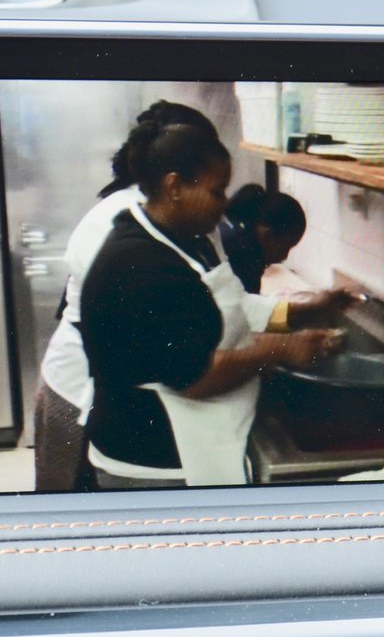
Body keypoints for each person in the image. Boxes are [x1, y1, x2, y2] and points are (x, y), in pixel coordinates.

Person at [78, 123, 347, 488]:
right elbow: (195, 377)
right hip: (153, 460)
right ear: (174, 187)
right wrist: (280, 350)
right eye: (216, 191)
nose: (223, 205)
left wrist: (297, 324)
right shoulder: (142, 263)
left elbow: (223, 316)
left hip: (190, 437)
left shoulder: (187, 240)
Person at [33, 102, 219, 493]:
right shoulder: (120, 218)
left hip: (100, 389)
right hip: (77, 390)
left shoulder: (157, 213)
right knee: (69, 508)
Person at [219, 183, 307, 295]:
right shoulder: (245, 254)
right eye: (285, 247)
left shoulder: (239, 231)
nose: (285, 256)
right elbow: (245, 302)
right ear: (268, 236)